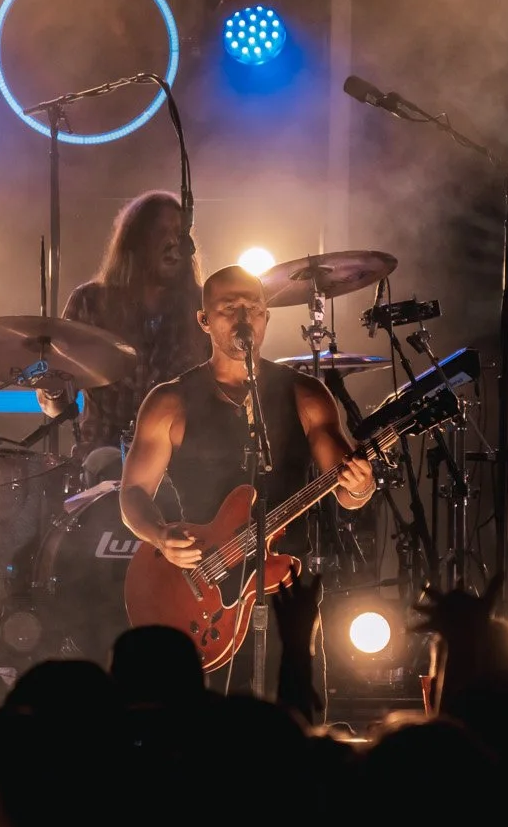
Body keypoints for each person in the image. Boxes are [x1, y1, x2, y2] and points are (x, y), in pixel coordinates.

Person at [118, 265, 376, 690]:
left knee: (294, 714)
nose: (243, 318)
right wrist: (160, 537)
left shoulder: (306, 393)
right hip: (204, 585)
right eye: (228, 308)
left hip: (287, 584)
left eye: (253, 308)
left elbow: (347, 490)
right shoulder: (170, 400)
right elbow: (133, 494)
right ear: (204, 320)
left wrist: (361, 484)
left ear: (266, 317)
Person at [38, 191, 209, 460]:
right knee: (103, 462)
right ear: (135, 241)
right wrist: (53, 384)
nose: (173, 242)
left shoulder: (202, 306)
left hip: (182, 461)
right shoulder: (89, 301)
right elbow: (56, 408)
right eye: (161, 232)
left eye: (179, 233)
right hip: (102, 458)